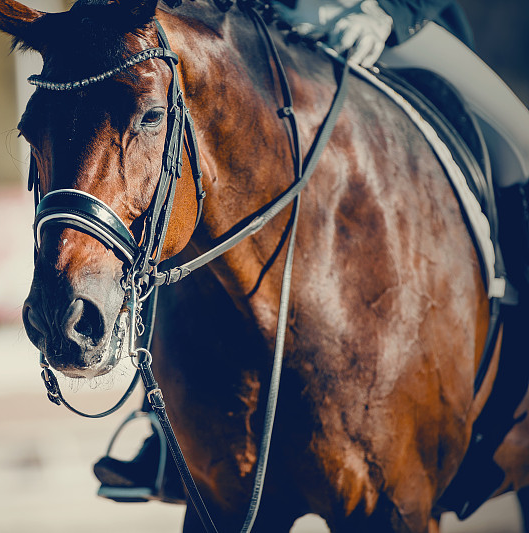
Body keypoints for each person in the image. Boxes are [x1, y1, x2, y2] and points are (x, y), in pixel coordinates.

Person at [94, 0, 529, 503]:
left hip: (383, 25)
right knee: (187, 171)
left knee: (517, 147)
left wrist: (392, 14)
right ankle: (169, 430)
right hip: (257, 25)